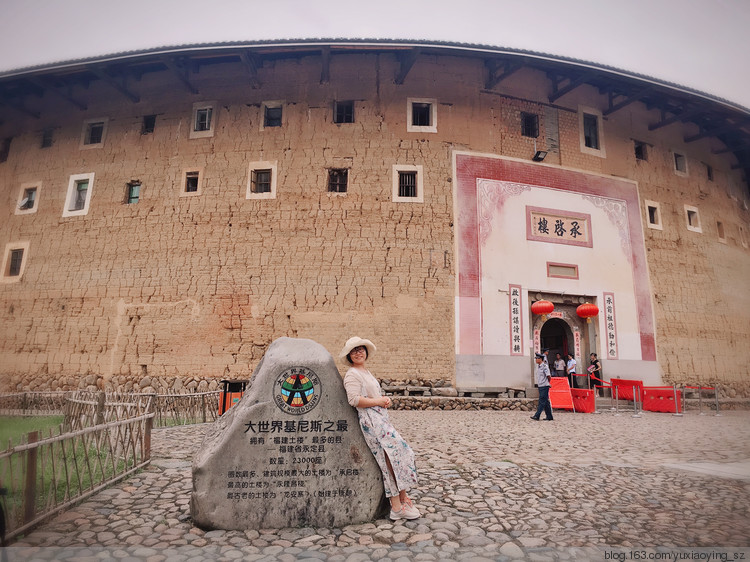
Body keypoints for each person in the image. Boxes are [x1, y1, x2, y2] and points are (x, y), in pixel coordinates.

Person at [340, 336, 420, 521]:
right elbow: (354, 400)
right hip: (370, 420)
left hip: (380, 419)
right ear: (349, 356)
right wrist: (378, 401)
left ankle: (403, 497)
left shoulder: (366, 372)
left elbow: (371, 394)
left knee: (400, 453)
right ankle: (397, 506)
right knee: (388, 459)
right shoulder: (352, 374)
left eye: (361, 349)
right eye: (354, 350)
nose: (358, 352)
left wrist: (383, 400)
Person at [531, 352, 553, 421]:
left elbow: (549, 376)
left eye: (537, 358)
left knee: (541, 401)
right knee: (546, 402)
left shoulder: (544, 366)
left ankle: (537, 415)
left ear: (540, 359)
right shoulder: (539, 367)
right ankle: (549, 416)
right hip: (541, 386)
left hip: (544, 386)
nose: (536, 360)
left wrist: (547, 383)